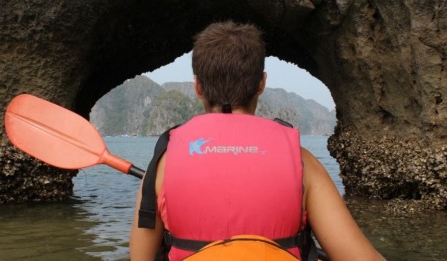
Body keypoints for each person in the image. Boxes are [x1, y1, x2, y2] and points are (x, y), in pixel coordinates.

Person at [130, 20, 385, 261]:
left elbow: (139, 257)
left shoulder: (163, 163)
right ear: (261, 84)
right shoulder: (302, 162)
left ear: (197, 87)